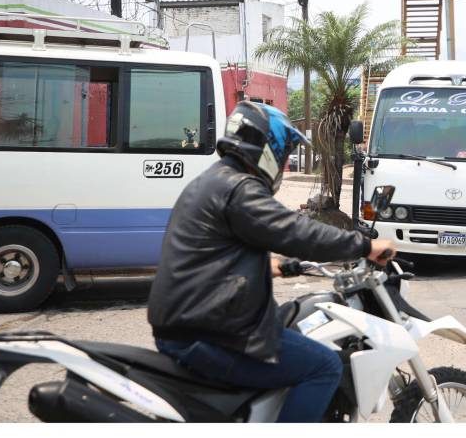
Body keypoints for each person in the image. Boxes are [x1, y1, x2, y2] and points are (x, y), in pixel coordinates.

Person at [147, 101, 396, 422]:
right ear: (269, 149)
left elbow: (212, 252)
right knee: (324, 366)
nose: (285, 161)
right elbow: (296, 232)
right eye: (285, 153)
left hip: (189, 321)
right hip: (206, 331)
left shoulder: (212, 180)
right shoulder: (240, 189)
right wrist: (365, 246)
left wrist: (273, 266)